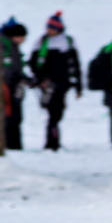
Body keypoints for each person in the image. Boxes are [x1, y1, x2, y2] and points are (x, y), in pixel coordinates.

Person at [28, 12, 81, 151]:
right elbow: (33, 63)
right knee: (53, 113)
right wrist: (40, 79)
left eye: (52, 28)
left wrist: (78, 86)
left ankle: (53, 141)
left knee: (57, 113)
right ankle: (52, 142)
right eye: (48, 27)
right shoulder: (42, 42)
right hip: (47, 85)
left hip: (63, 84)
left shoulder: (68, 42)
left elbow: (75, 65)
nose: (49, 30)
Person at [0, 18, 30, 150]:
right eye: (22, 37)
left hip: (13, 85)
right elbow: (8, 69)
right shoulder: (5, 46)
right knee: (10, 116)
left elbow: (17, 68)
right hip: (7, 86)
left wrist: (25, 78)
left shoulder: (13, 46)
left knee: (16, 117)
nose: (23, 40)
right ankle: (11, 145)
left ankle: (15, 144)